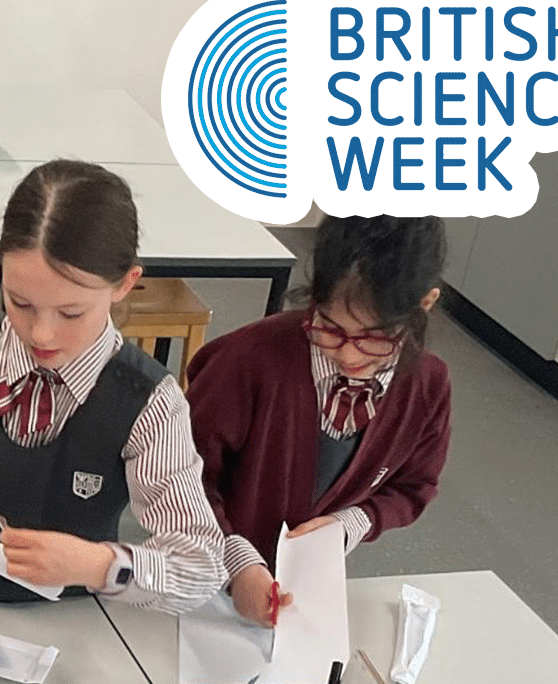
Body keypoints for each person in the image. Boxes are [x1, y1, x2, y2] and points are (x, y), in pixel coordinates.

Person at [0, 158, 222, 612]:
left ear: (125, 284)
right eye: (19, 303)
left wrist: (99, 565)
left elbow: (201, 566)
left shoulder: (149, 401)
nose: (41, 334)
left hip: (69, 625)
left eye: (71, 313)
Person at [187, 216, 451, 626]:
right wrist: (235, 561)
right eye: (329, 328)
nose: (348, 355)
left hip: (304, 588)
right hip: (204, 570)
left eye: (374, 337)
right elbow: (182, 472)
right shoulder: (247, 361)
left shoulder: (427, 386)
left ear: (425, 303)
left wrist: (352, 522)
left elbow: (414, 486)